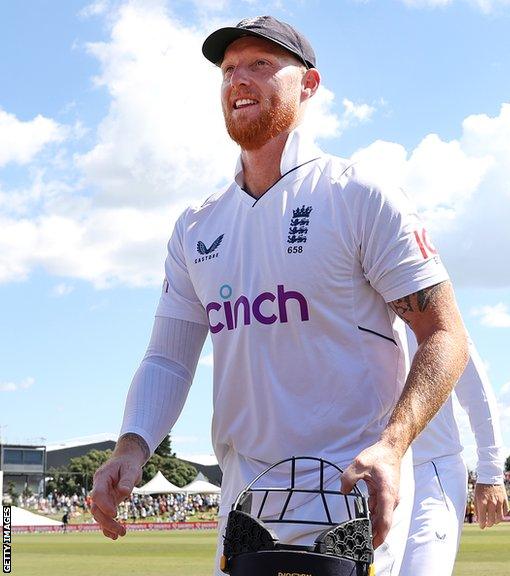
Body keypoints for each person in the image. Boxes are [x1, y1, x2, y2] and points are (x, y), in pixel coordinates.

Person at [87, 16, 469, 576]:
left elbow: (445, 333)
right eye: (228, 70)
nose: (239, 80)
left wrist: (393, 443)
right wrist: (131, 448)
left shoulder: (358, 194)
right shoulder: (197, 226)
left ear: (308, 85)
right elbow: (168, 358)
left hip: (351, 501)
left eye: (261, 65)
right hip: (245, 512)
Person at [400, 328, 508, 576]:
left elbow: (477, 392)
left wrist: (491, 474)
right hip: (368, 477)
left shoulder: (431, 302)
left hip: (431, 472)